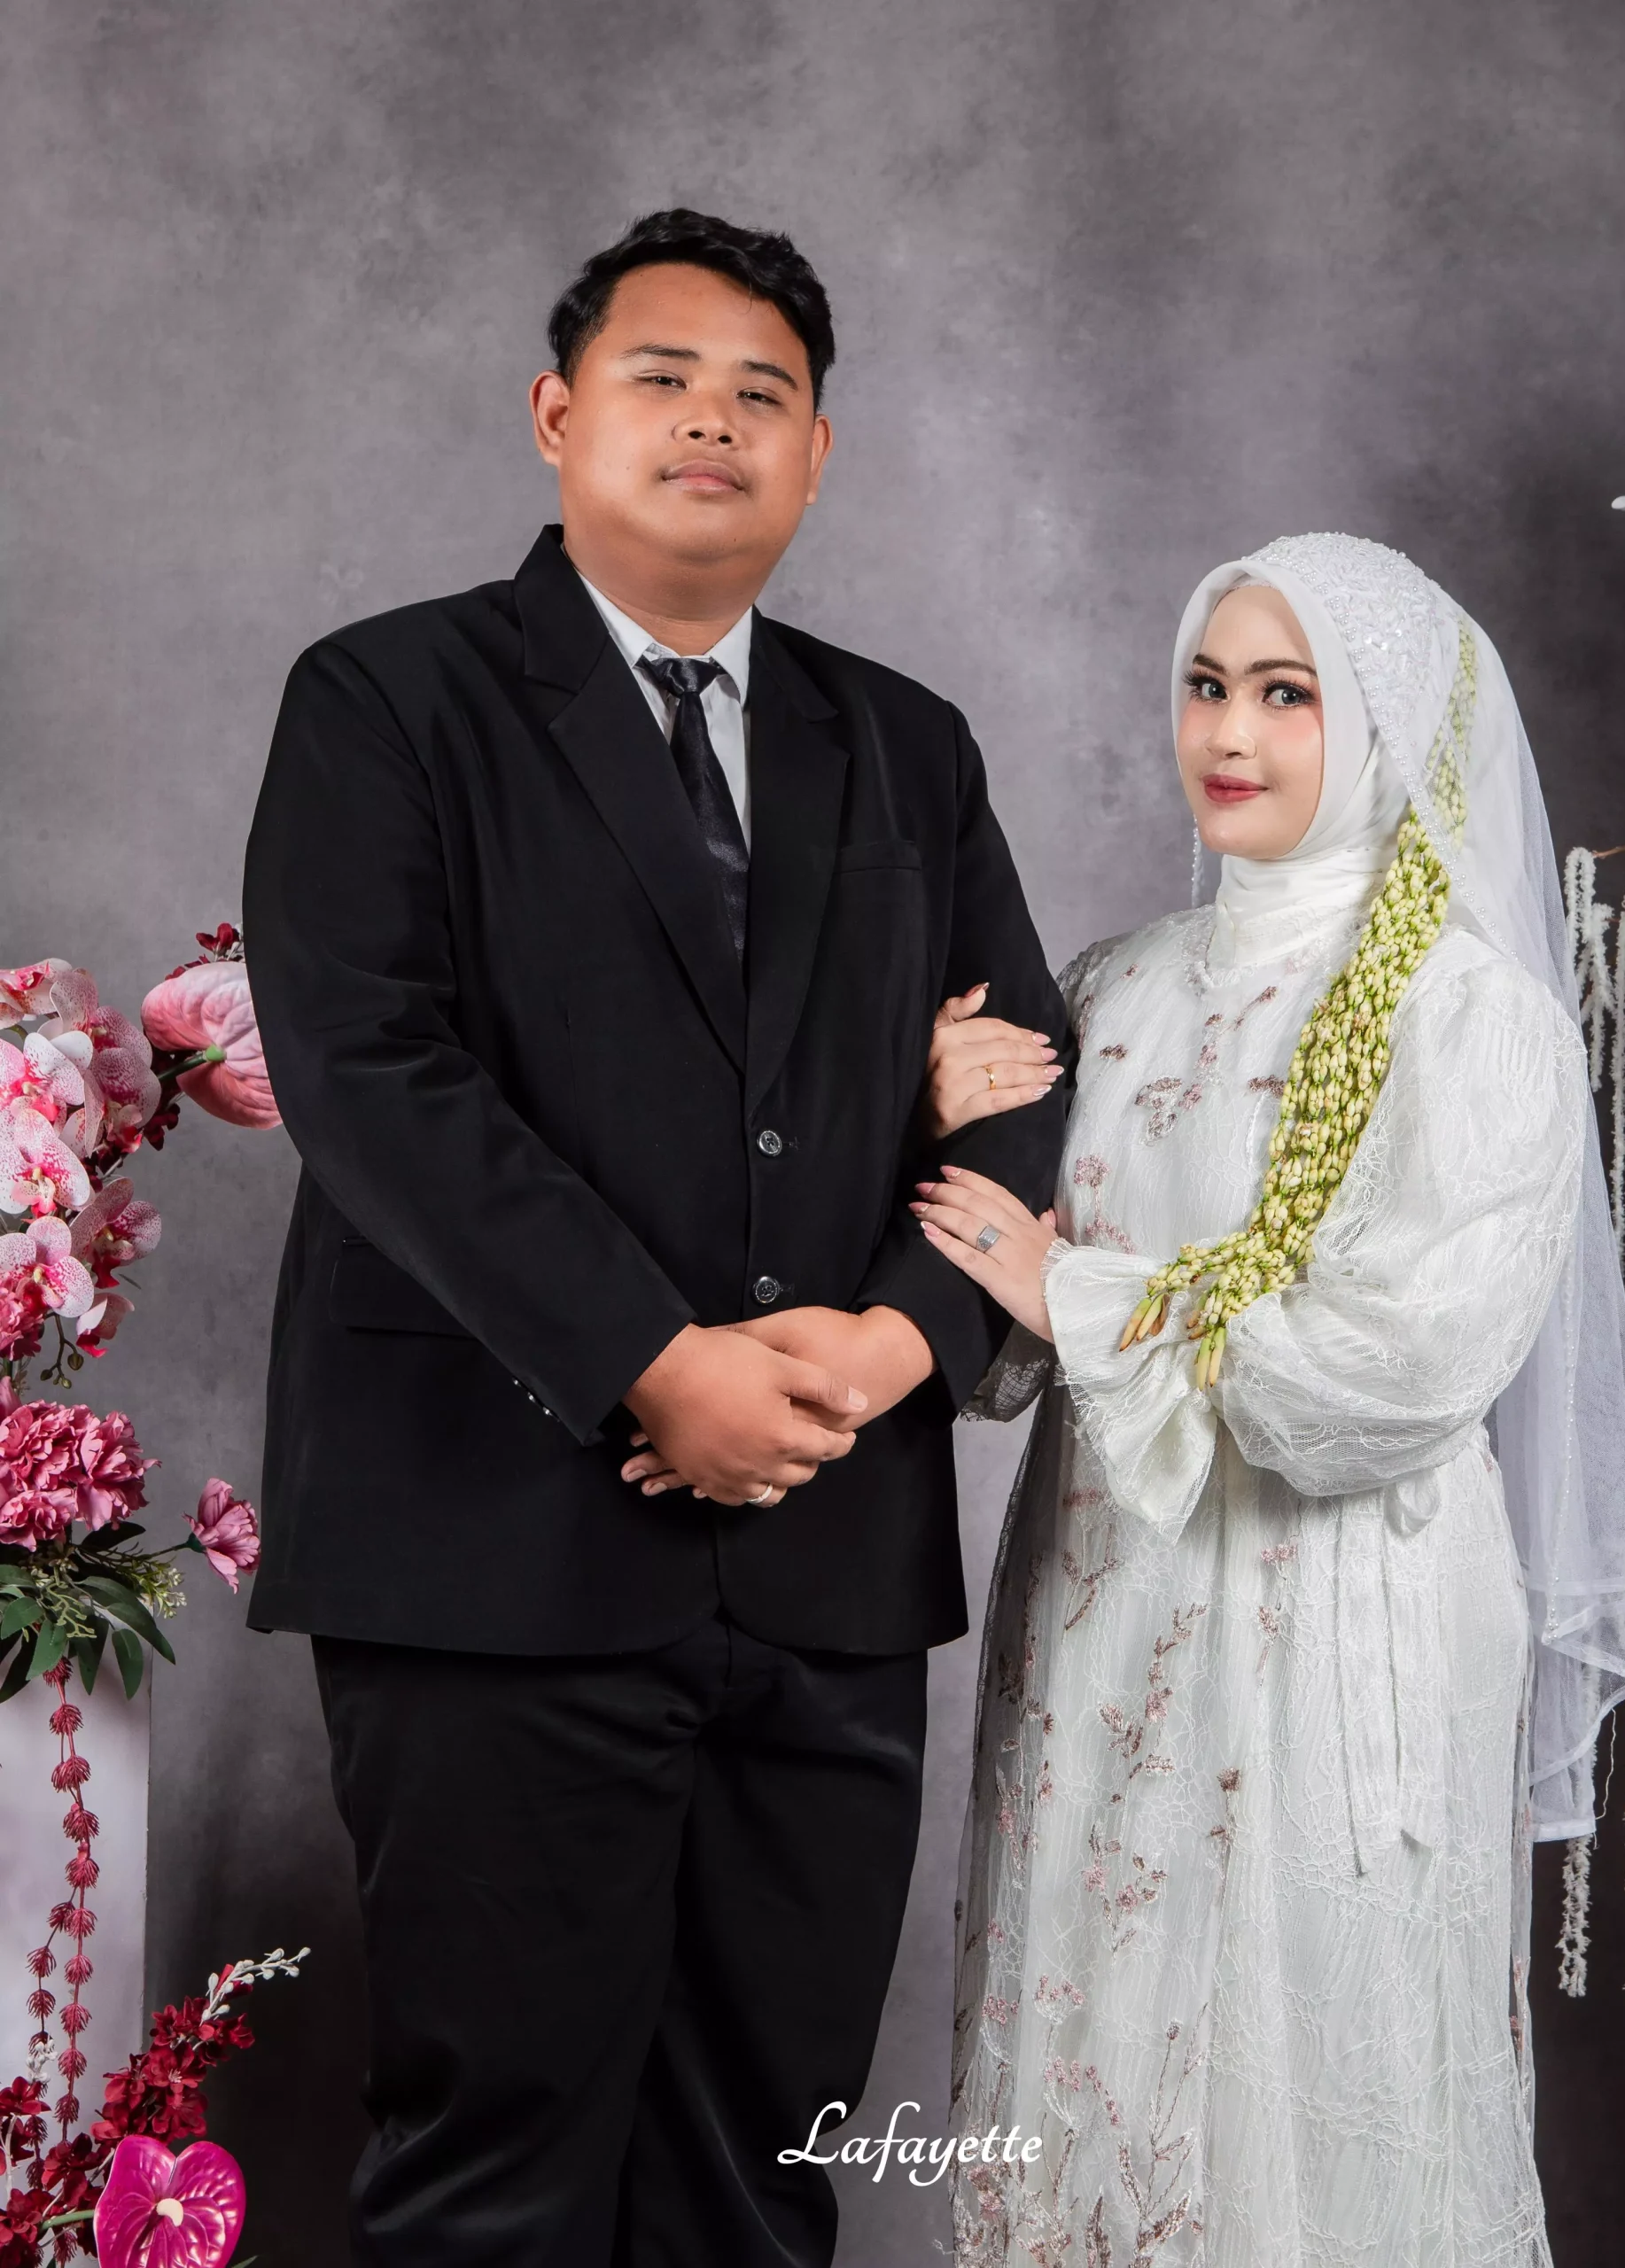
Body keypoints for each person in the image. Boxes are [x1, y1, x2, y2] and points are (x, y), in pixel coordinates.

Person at [241, 207, 1069, 2266]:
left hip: (830, 1557)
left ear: (817, 454)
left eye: (762, 393)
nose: (714, 419)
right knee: (494, 2174)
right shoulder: (389, 698)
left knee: (761, 2180)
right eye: (661, 376)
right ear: (556, 414)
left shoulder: (905, 743)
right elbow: (375, 1073)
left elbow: (1026, 1078)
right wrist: (658, 1360)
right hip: (493, 1549)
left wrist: (894, 1344)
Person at [913, 534, 1625, 2265]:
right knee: (1100, 2035)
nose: (1231, 731)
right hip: (1106, 1605)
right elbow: (1004, 1336)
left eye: (1287, 692)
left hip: (1338, 1621)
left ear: (1392, 725)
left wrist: (1080, 1292)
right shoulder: (1109, 986)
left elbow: (1405, 1365)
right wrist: (933, 1118)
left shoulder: (1469, 1014)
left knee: (1305, 2081)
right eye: (1207, 685)